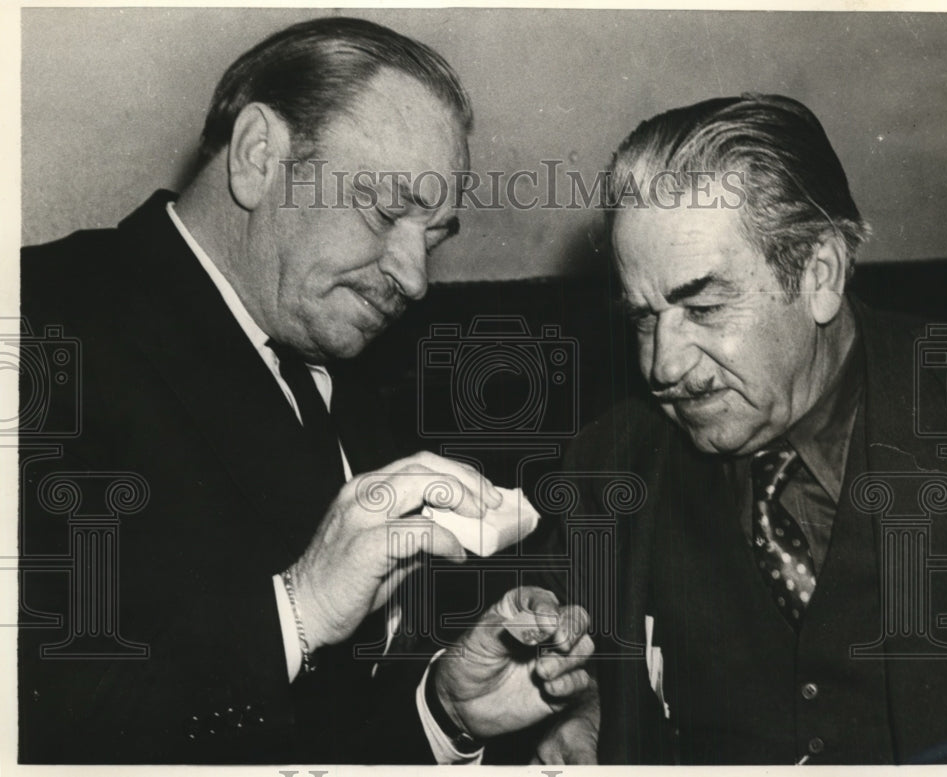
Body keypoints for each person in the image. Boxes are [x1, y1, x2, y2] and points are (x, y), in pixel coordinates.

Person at [18, 17, 592, 764]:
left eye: (435, 234)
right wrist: (300, 608)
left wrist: (444, 714)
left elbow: (317, 726)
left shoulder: (342, 363)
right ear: (260, 156)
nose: (415, 279)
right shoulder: (36, 324)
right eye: (386, 211)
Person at [549, 94, 947, 764]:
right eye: (643, 316)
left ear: (820, 274)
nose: (663, 365)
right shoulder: (601, 472)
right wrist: (570, 709)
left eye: (703, 305)